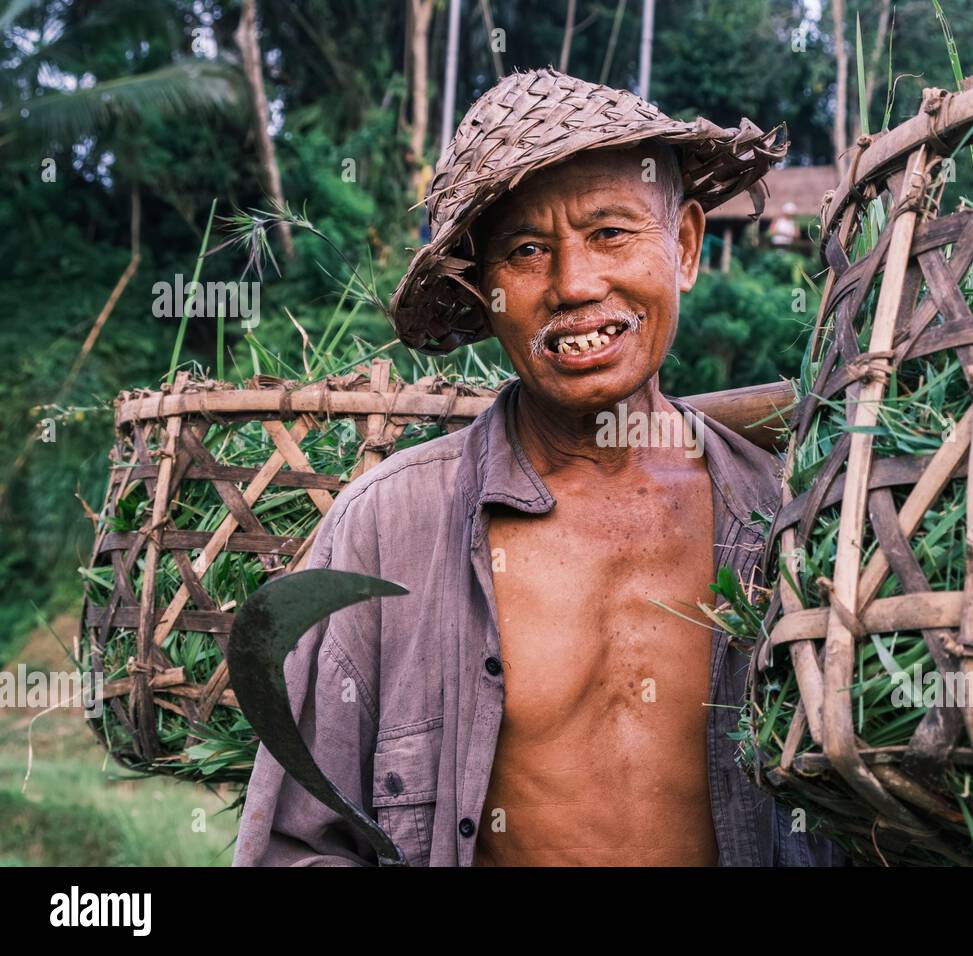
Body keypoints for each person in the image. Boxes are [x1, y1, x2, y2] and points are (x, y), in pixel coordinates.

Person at [234, 66, 847, 866]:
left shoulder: (794, 519)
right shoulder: (389, 528)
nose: (574, 283)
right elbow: (294, 847)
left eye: (611, 233)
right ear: (482, 292)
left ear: (687, 245)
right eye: (526, 251)